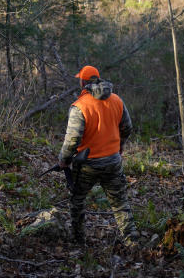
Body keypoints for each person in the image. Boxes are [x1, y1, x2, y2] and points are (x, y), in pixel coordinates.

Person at [58, 65, 135, 246]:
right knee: (120, 204)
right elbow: (127, 128)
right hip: (113, 161)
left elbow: (72, 139)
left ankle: (79, 241)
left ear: (83, 82)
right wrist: (120, 146)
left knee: (77, 200)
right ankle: (133, 242)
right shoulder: (116, 100)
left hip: (87, 165)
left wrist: (63, 160)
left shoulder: (80, 106)